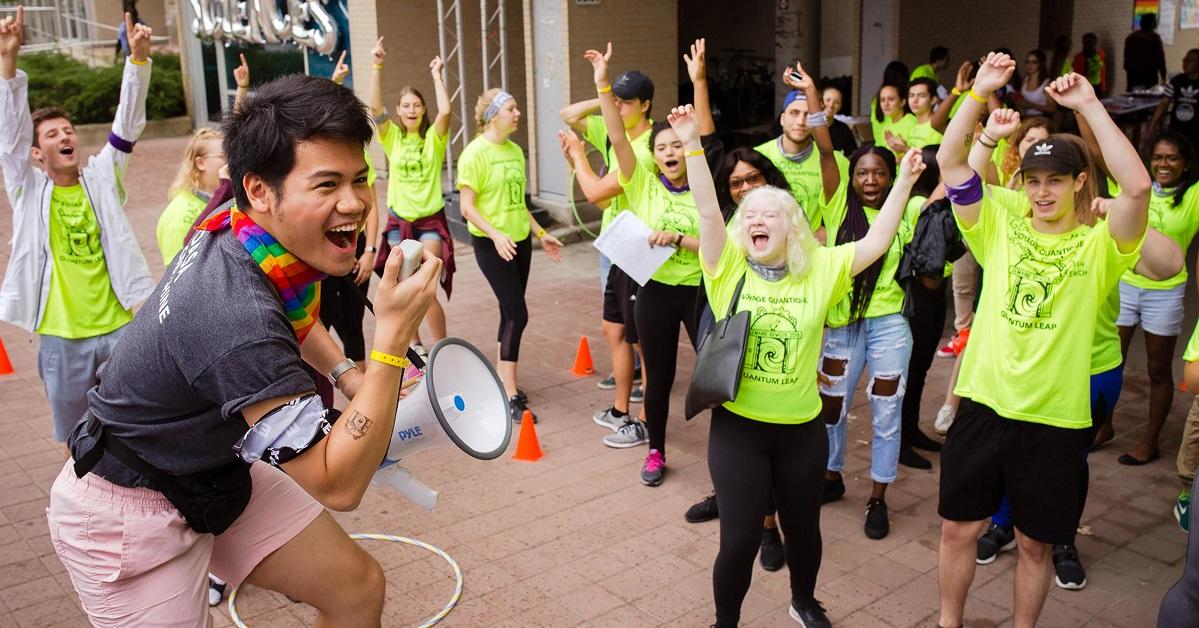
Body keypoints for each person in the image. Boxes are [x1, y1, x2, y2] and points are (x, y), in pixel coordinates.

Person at [48, 69, 444, 625]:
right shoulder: (234, 316)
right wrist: (392, 344)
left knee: (356, 588)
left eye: (360, 179)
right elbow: (338, 482)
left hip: (213, 467)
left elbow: (297, 317)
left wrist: (353, 379)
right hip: (125, 506)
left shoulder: (240, 226)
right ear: (259, 189)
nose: (354, 204)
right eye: (327, 185)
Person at [678, 93, 924, 626]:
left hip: (801, 431)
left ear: (791, 227)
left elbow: (880, 240)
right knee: (739, 539)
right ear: (742, 230)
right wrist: (693, 149)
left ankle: (803, 601)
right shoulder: (727, 271)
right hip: (739, 429)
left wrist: (904, 180)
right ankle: (726, 622)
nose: (759, 219)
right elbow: (704, 209)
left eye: (772, 213)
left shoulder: (821, 269)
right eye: (750, 216)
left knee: (804, 530)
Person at [935, 52, 1150, 628]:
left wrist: (1087, 104)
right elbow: (951, 161)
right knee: (959, 529)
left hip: (1055, 420)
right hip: (982, 402)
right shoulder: (1000, 220)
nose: (1043, 191)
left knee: (1034, 546)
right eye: (1033, 180)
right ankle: (947, 622)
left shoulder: (1100, 244)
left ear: (1080, 181)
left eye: (1056, 179)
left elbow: (1137, 187)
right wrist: (978, 93)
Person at [0, 9, 155, 450]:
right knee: (77, 440)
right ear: (36, 153)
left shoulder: (103, 177)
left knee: (135, 426)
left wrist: (138, 62)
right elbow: (8, 135)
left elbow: (127, 126)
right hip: (61, 337)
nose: (64, 136)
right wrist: (8, 63)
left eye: (68, 130)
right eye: (51, 134)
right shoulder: (27, 189)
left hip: (119, 329)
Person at [588, 42, 701, 486]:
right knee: (658, 378)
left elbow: (715, 245)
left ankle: (732, 455)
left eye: (678, 146)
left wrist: (678, 239)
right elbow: (617, 135)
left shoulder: (702, 186)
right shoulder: (641, 185)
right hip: (654, 291)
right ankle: (655, 450)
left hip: (698, 292)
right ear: (653, 157)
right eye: (663, 147)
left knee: (716, 372)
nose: (671, 152)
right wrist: (602, 82)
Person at [817, 143, 920, 540]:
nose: (871, 180)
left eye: (879, 172)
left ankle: (878, 495)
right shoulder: (837, 208)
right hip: (842, 326)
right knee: (830, 406)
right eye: (863, 172)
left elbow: (954, 187)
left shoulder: (906, 208)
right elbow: (827, 154)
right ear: (851, 177)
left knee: (886, 408)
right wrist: (810, 96)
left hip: (889, 325)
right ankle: (831, 475)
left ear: (892, 177)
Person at [560, 55, 657, 437]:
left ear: (646, 105)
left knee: (643, 341)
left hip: (642, 253)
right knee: (613, 331)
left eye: (627, 101)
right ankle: (621, 409)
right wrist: (605, 93)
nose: (617, 107)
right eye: (615, 101)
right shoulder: (612, 130)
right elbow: (600, 200)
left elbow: (597, 190)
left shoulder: (649, 148)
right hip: (617, 249)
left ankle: (648, 419)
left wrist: (579, 157)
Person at [458, 88, 563, 423]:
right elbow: (466, 207)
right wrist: (495, 234)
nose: (518, 114)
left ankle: (503, 378)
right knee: (519, 314)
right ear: (493, 115)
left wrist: (542, 234)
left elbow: (519, 204)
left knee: (509, 311)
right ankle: (509, 392)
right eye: (512, 108)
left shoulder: (516, 152)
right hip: (493, 244)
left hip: (518, 242)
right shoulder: (475, 154)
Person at [1101, 132, 1199, 465]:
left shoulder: (1194, 196)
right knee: (1112, 361)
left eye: (1172, 157)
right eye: (1157, 157)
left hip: (1166, 293)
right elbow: (1102, 153)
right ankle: (1104, 426)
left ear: (1186, 164)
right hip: (1125, 285)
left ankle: (1150, 442)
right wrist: (1085, 109)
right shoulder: (1135, 188)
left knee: (1158, 369)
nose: (1163, 164)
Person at [368, 37, 454, 353]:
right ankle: (415, 345)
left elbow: (446, 110)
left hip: (429, 221)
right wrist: (377, 64)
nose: (411, 109)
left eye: (416, 105)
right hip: (398, 222)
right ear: (400, 112)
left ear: (423, 110)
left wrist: (436, 76)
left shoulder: (434, 138)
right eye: (406, 105)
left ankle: (443, 347)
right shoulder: (392, 138)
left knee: (426, 289)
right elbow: (375, 109)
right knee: (404, 287)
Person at [896, 145, 953, 470]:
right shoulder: (920, 202)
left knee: (920, 369)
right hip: (920, 291)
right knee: (911, 367)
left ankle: (911, 429)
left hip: (934, 291)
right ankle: (901, 439)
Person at [754, 63, 846, 230]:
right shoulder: (759, 157)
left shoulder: (837, 161)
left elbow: (846, 206)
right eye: (794, 113)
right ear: (782, 119)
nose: (801, 122)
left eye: (808, 115)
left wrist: (827, 228)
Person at [157, 128, 224, 265]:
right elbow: (177, 273)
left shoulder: (221, 200)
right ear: (200, 163)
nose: (231, 163)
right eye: (223, 156)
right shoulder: (179, 216)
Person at [1150, 49, 1199, 150]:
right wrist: (1153, 123)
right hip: (1177, 128)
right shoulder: (1177, 80)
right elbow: (1164, 102)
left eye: (1191, 60)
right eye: (1185, 60)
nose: (1185, 63)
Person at [1125, 12, 1168, 91]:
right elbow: (1160, 58)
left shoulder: (1131, 37)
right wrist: (1163, 76)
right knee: (1148, 95)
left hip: (1132, 73)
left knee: (1133, 93)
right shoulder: (1153, 38)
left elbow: (1127, 57)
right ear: (1152, 24)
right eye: (1155, 21)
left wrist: (1129, 69)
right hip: (1149, 74)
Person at [872, 83, 915, 158]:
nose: (886, 104)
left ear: (902, 102)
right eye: (882, 100)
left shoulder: (910, 122)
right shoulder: (887, 123)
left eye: (891, 99)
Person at [1011, 50, 1058, 118]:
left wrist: (1029, 105)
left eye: (1034, 62)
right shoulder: (1025, 79)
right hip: (1025, 117)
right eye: (1028, 62)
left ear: (1041, 64)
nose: (1030, 65)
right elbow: (1021, 99)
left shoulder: (1046, 83)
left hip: (1041, 119)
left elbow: (1053, 108)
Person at [821, 84, 859, 157]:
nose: (831, 105)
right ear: (820, 101)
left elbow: (852, 155)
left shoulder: (844, 129)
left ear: (840, 106)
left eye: (836, 102)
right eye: (828, 100)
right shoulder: (810, 128)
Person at [1073, 33, 1108, 97]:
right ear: (1084, 43)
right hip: (1085, 87)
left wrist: (1104, 87)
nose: (1090, 45)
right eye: (1088, 42)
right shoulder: (1079, 58)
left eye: (1092, 42)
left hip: (1099, 86)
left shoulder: (1101, 54)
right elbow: (1078, 74)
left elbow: (1103, 71)